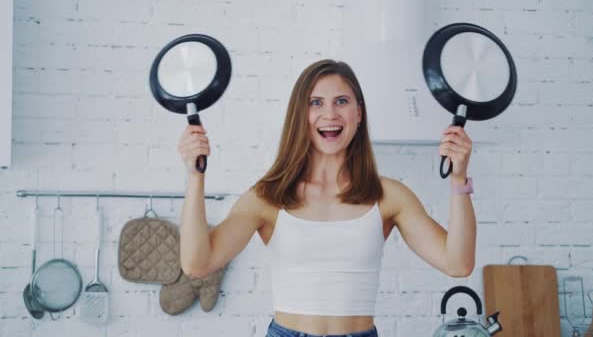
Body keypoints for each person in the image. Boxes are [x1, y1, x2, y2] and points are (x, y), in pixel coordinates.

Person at [177, 59, 477, 337]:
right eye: (316, 103)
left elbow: (457, 263)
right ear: (301, 115)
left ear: (358, 113)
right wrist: (195, 177)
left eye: (342, 102)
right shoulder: (268, 196)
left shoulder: (388, 196)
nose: (330, 114)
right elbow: (197, 264)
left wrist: (459, 179)